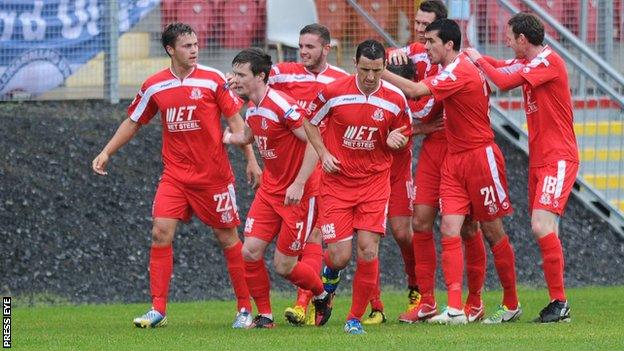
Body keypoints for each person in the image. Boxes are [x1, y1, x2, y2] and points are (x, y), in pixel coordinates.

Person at [91, 23, 262, 329]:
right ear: (170, 49)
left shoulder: (213, 80)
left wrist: (251, 161)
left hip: (214, 178)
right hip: (175, 177)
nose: (194, 50)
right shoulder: (155, 85)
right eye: (187, 45)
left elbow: (235, 122)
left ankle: (244, 309)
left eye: (196, 44)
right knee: (160, 232)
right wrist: (106, 152)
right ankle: (158, 309)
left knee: (228, 238)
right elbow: (133, 121)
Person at [382, 19, 521, 324]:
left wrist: (378, 71)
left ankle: (510, 302)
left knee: (491, 230)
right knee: (448, 229)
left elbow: (418, 90)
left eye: (430, 40)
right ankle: (455, 308)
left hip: (480, 157)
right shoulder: (453, 67)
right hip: (454, 159)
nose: (425, 45)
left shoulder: (458, 71)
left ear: (448, 44)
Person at [465, 12, 579, 323]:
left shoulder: (548, 62)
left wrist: (476, 59)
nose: (506, 40)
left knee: (541, 226)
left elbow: (500, 81)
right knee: (547, 228)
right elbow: (501, 67)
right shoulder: (531, 62)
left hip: (558, 157)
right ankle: (558, 304)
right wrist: (466, 56)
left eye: (509, 36)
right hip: (540, 157)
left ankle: (559, 301)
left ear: (522, 40)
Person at [303, 39, 412, 334]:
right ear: (355, 63)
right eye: (365, 69)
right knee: (340, 255)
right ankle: (329, 276)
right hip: (337, 183)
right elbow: (309, 121)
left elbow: (404, 135)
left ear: (384, 67)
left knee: (368, 250)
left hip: (375, 184)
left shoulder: (395, 99)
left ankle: (353, 319)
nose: (370, 77)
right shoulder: (333, 92)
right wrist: (324, 153)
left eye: (376, 70)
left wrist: (394, 141)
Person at [224, 48, 332, 329]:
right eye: (234, 73)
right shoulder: (253, 106)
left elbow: (312, 140)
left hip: (298, 195)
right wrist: (232, 138)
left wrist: (298, 183)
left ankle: (322, 294)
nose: (235, 79)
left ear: (260, 76)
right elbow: (251, 133)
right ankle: (265, 315)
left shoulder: (281, 105)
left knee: (284, 265)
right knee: (249, 252)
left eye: (241, 74)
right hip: (270, 191)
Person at [267, 23, 349, 326]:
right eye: (300, 46)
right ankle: (313, 299)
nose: (303, 52)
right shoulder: (284, 73)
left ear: (326, 48)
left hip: (328, 169)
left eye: (310, 47)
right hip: (295, 168)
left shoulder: (341, 79)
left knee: (317, 237)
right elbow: (258, 86)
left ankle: (304, 302)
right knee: (303, 240)